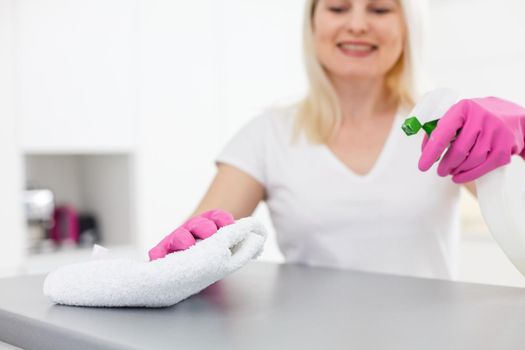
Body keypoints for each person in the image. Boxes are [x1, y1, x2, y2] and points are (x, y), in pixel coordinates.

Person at [148, 0, 525, 280]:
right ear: (313, 23)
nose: (358, 24)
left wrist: (521, 140)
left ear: (408, 26)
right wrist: (188, 258)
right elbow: (187, 264)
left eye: (379, 9)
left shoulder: (440, 125)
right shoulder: (267, 134)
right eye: (338, 7)